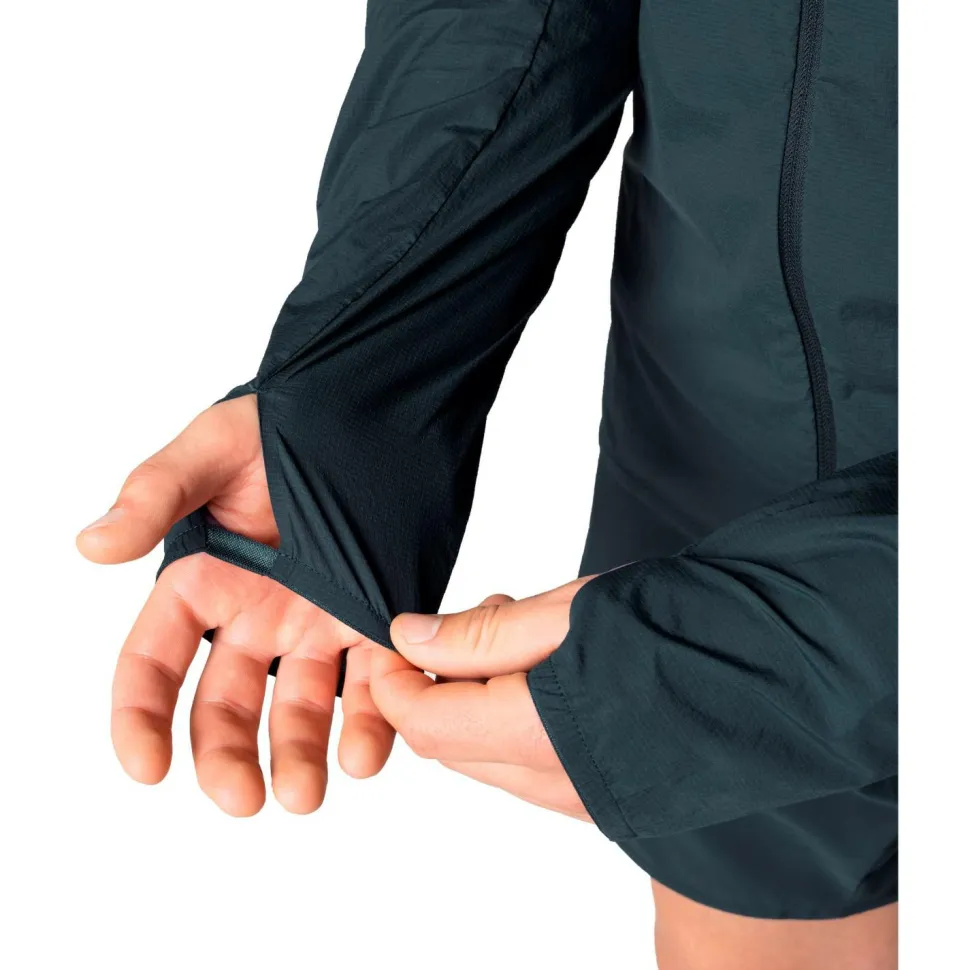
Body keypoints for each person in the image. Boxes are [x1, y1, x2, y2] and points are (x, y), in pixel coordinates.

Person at [77, 1, 898, 967]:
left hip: (750, 609)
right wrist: (368, 371)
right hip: (728, 457)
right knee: (765, 890)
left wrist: (857, 634)